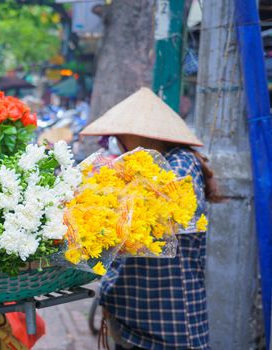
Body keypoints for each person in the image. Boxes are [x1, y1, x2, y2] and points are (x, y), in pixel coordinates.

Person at [80, 87, 222, 350]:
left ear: (138, 134)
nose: (118, 141)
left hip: (168, 317)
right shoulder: (136, 165)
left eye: (120, 135)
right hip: (131, 310)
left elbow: (153, 221)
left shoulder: (182, 164)